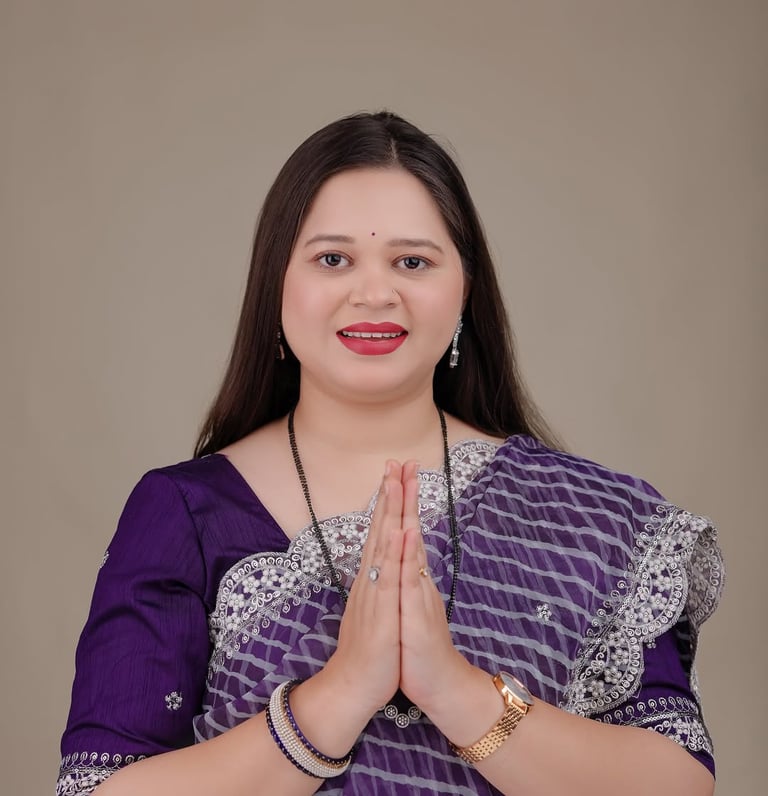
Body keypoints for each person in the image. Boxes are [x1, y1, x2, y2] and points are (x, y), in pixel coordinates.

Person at [58, 111, 723, 796]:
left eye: (412, 262)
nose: (374, 293)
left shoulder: (589, 516)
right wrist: (339, 694)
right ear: (276, 285)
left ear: (465, 289)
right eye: (332, 259)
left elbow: (678, 783)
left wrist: (456, 690)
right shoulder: (185, 514)